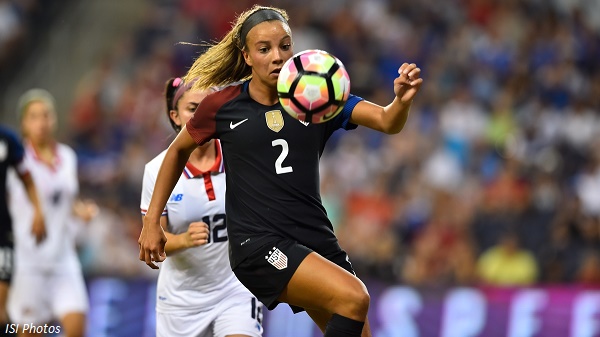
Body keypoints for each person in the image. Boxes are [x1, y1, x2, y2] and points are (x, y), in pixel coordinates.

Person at [138, 5, 422, 337]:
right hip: (258, 245)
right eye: (264, 49)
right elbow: (177, 151)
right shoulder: (224, 106)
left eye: (284, 46)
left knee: (357, 327)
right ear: (246, 55)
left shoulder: (318, 93)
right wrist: (152, 220)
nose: (277, 56)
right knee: (355, 297)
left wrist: (401, 101)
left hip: (315, 239)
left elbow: (387, 121)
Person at [140, 77, 263, 337]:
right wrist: (184, 240)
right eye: (193, 109)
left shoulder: (241, 155)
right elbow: (153, 243)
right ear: (175, 117)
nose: (204, 116)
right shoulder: (155, 171)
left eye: (210, 107)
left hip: (236, 287)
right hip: (182, 302)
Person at [6, 89, 96, 337]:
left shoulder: (67, 157)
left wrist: (82, 210)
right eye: (34, 117)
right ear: (24, 123)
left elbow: (67, 199)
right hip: (29, 264)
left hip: (63, 260)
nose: (41, 122)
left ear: (54, 119)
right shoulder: (15, 162)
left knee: (77, 328)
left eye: (46, 115)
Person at [0, 124, 45, 329]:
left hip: (2, 233)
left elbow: (27, 179)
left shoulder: (7, 139)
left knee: (2, 310)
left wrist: (37, 210)